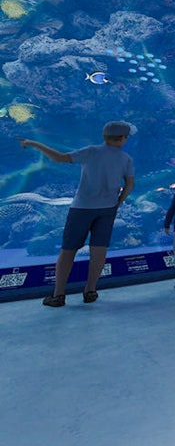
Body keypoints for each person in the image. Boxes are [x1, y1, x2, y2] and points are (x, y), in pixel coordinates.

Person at [19, 120, 135, 307]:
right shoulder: (126, 159)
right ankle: (90, 290)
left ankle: (59, 295)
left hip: (82, 208)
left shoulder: (91, 152)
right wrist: (118, 202)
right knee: (99, 250)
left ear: (105, 137)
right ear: (123, 138)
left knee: (68, 250)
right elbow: (130, 184)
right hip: (107, 209)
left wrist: (33, 143)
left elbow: (59, 158)